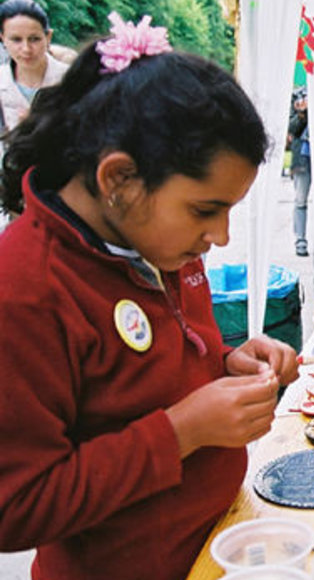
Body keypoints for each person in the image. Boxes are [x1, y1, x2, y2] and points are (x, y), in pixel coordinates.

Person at [0, 13, 298, 580]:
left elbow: (143, 375)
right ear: (118, 180)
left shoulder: (156, 243)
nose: (220, 237)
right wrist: (183, 430)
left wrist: (225, 367)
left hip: (213, 547)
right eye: (205, 210)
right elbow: (15, 505)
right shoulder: (25, 290)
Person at [0, 0, 68, 132]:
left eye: (34, 39)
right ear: (3, 39)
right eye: (16, 39)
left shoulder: (71, 79)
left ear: (48, 37)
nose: (26, 49)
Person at [288, 88, 311, 256]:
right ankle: (300, 240)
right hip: (302, 155)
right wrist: (303, 113)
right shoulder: (296, 97)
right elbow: (291, 129)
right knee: (301, 199)